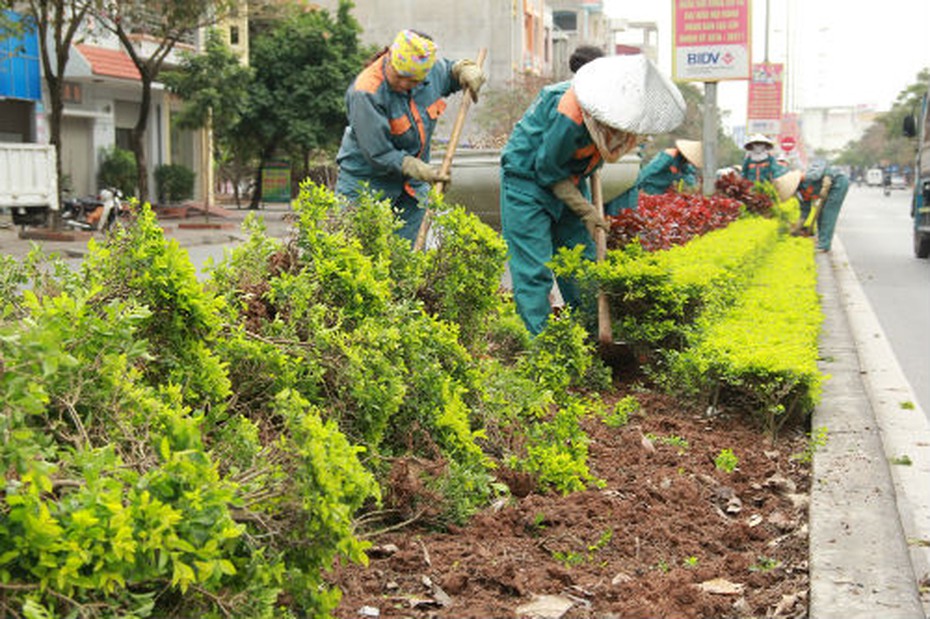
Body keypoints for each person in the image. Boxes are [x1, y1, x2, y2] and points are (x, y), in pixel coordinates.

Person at [500, 54, 686, 336]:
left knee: (581, 261)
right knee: (534, 268)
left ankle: (588, 336)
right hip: (528, 181)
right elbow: (547, 169)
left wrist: (582, 203)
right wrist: (584, 208)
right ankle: (542, 346)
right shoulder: (569, 113)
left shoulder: (617, 113)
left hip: (572, 180)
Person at [335, 30, 486, 242]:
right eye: (400, 76)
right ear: (390, 60)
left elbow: (449, 73)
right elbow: (378, 153)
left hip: (412, 190)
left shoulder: (429, 72)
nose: (405, 84)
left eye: (413, 81)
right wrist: (420, 169)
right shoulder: (366, 92)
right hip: (366, 183)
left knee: (407, 259)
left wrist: (463, 69)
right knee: (354, 253)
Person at [605, 139, 702, 214]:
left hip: (661, 194)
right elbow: (649, 171)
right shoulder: (669, 155)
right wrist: (637, 186)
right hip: (648, 189)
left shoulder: (684, 165)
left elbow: (689, 180)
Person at [775, 160, 849, 252]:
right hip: (829, 190)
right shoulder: (799, 193)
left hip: (838, 182)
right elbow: (805, 211)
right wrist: (796, 228)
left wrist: (827, 180)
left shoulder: (809, 176)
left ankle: (824, 245)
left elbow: (823, 163)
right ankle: (821, 240)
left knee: (828, 213)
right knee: (820, 215)